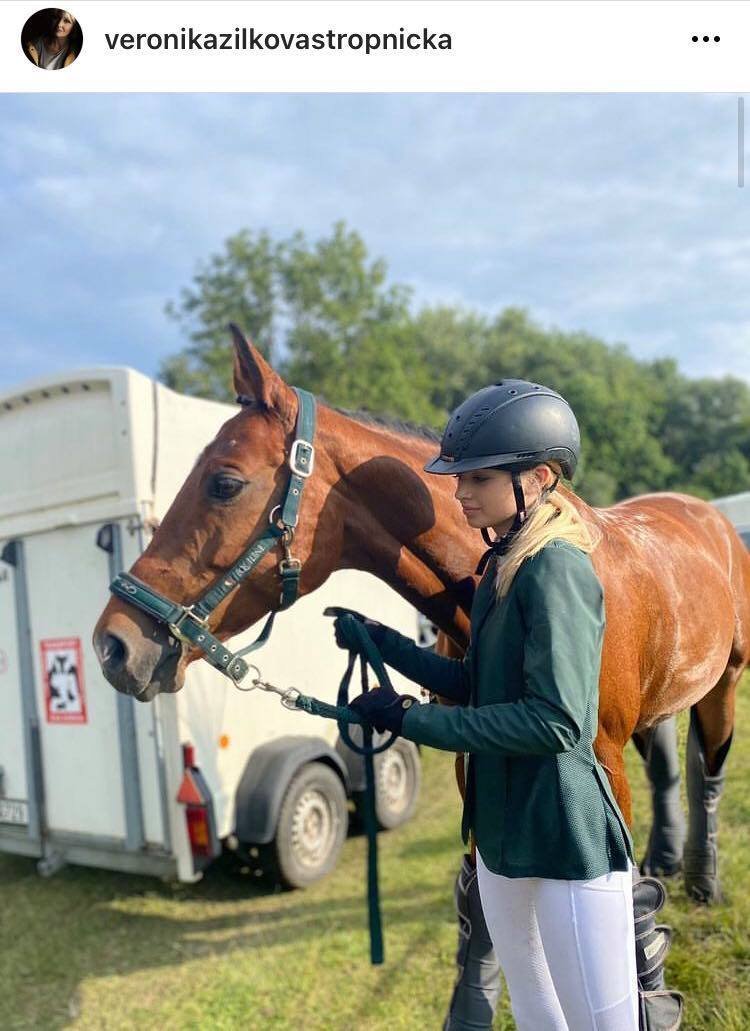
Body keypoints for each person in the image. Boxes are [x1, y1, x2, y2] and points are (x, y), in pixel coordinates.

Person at [334, 380, 640, 1031]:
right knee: (535, 1014)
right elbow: (478, 681)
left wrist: (413, 720)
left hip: (564, 838)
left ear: (540, 477)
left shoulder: (556, 567)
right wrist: (381, 641)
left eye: (478, 477)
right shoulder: (501, 566)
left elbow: (555, 721)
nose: (459, 491)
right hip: (500, 835)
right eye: (458, 476)